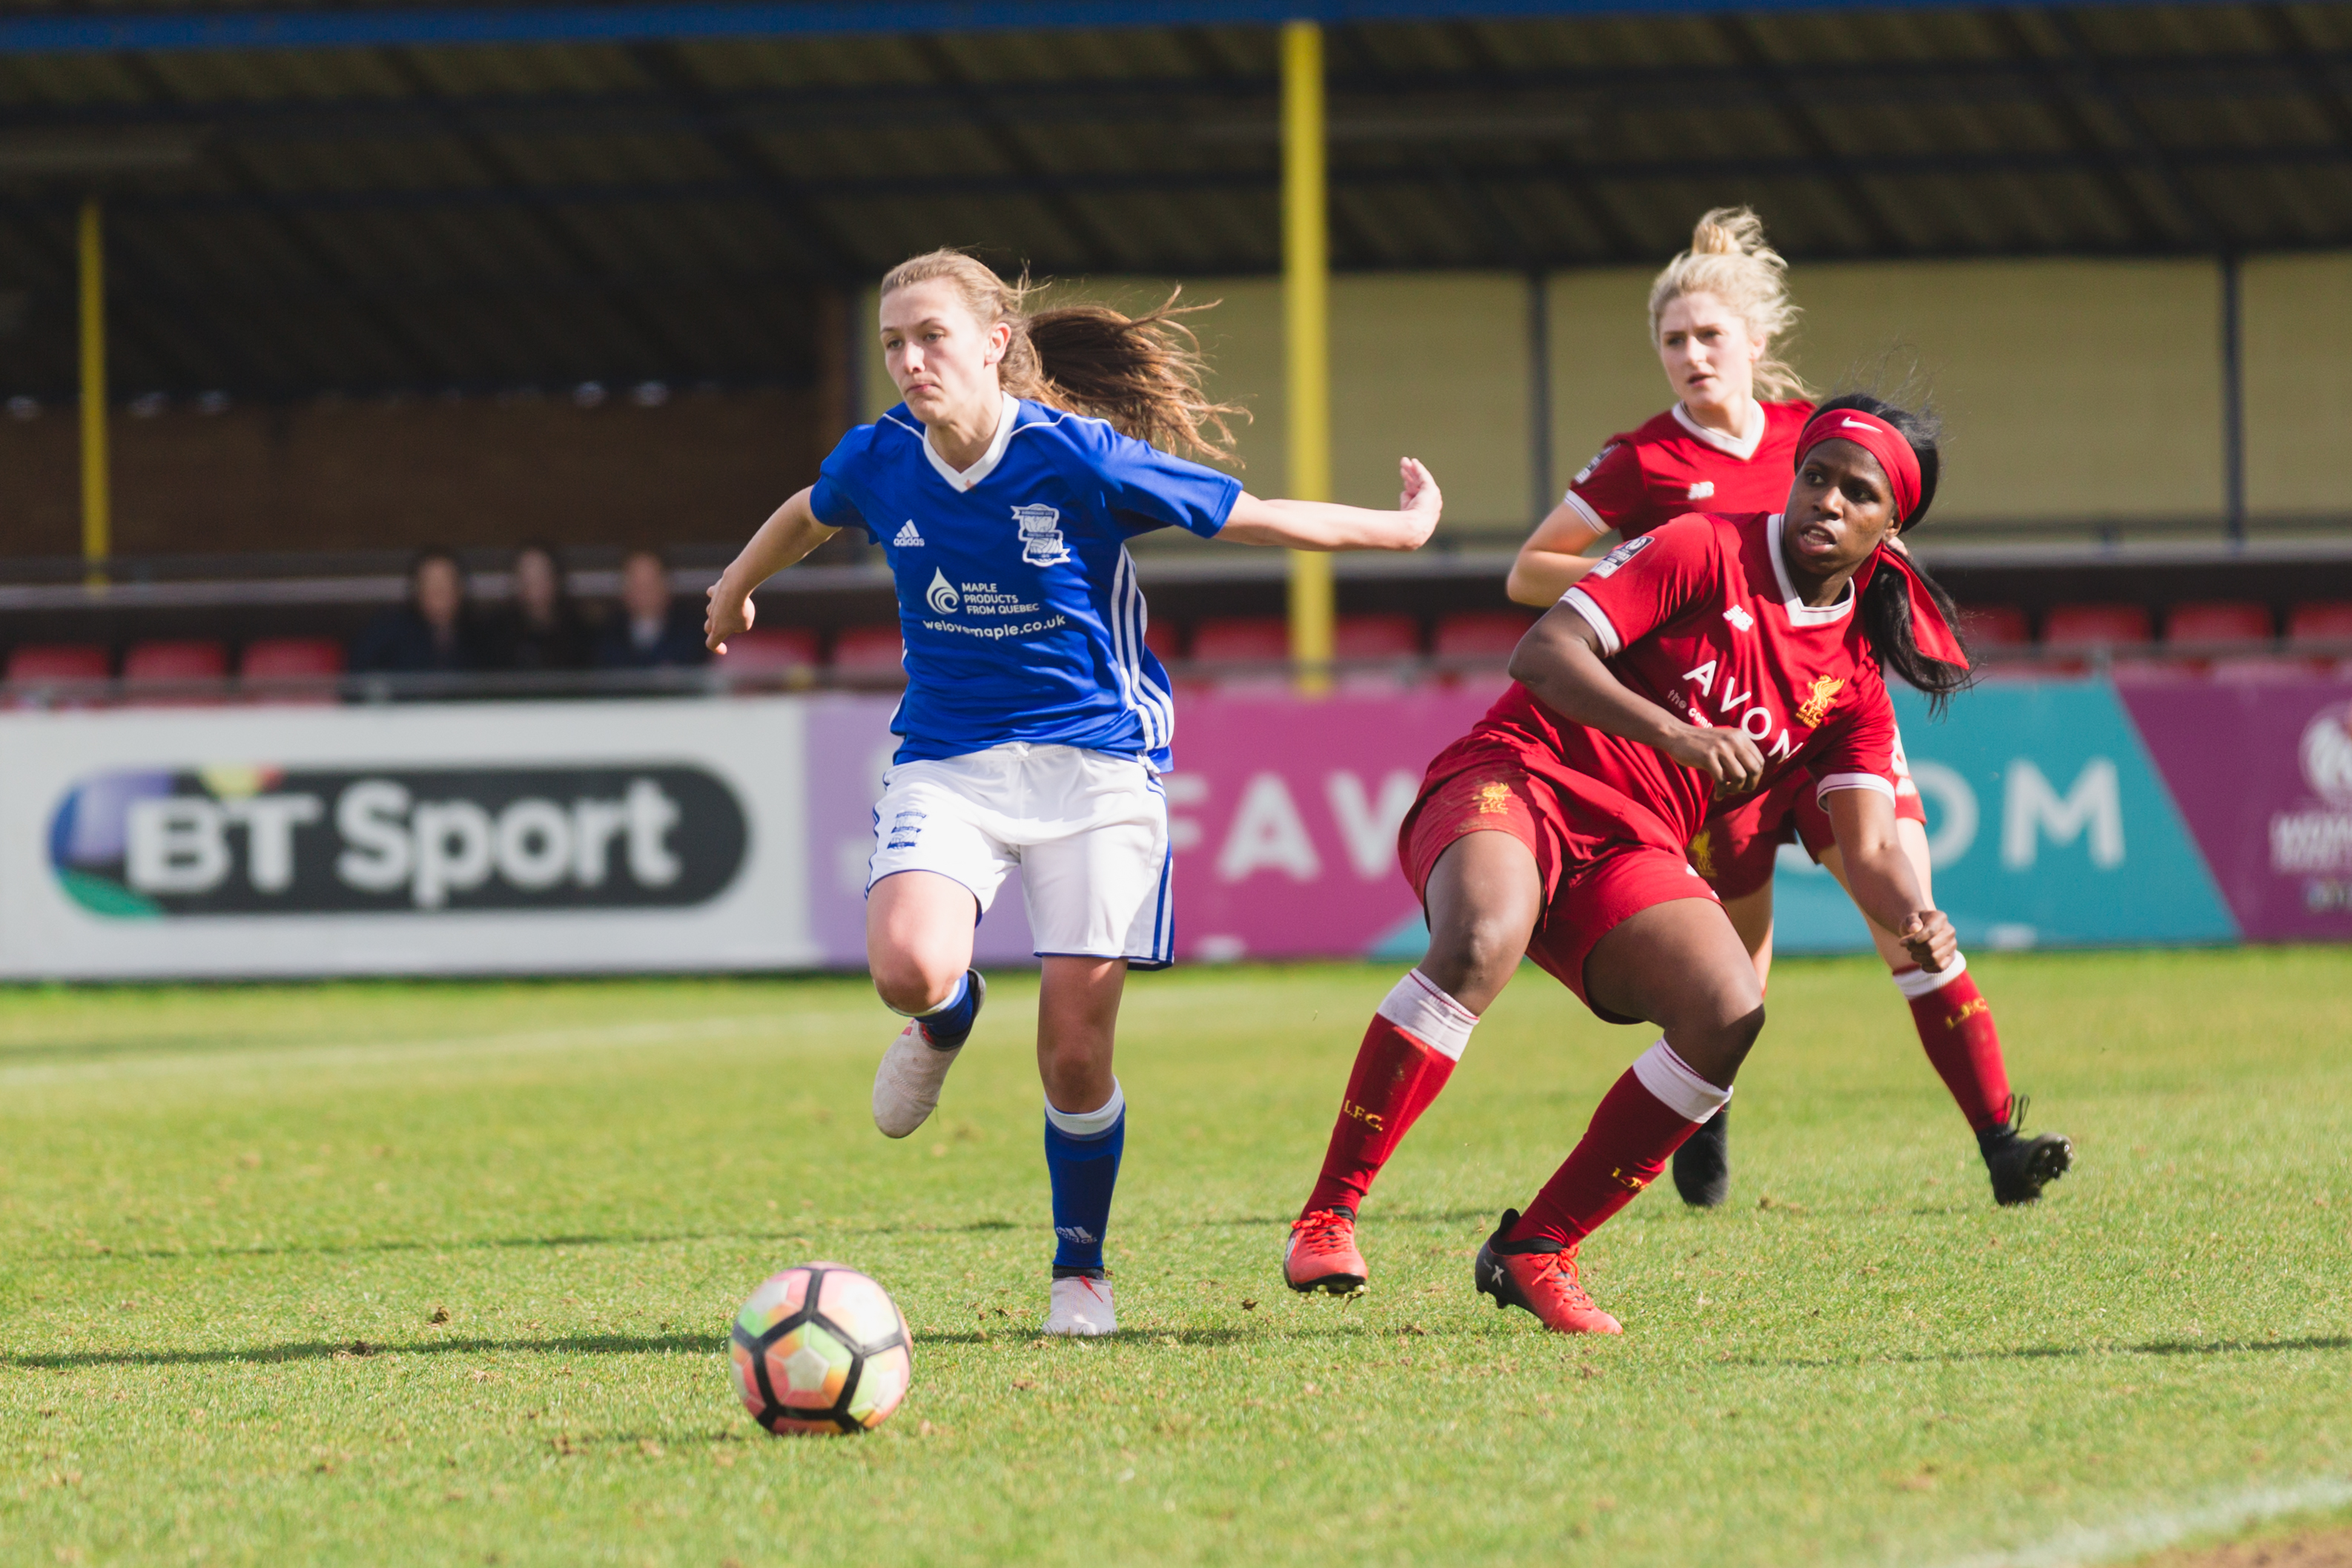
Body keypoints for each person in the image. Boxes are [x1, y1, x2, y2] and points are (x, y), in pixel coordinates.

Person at [705, 249, 1440, 1337]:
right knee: (909, 967)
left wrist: (1402, 530)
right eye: (893, 343)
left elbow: (1254, 515)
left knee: (1078, 1050)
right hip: (950, 756)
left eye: (931, 337)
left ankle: (1079, 1269)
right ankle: (946, 1021)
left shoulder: (1078, 456)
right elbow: (806, 512)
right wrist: (734, 586)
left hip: (1097, 768)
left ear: (996, 341)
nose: (910, 361)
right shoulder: (881, 457)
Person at [1285, 397, 1994, 1334]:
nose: (1823, 500)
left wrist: (1916, 911)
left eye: (1854, 492)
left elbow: (1866, 845)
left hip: (1635, 843)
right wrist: (1677, 735)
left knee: (1728, 1011)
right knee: (1480, 938)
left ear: (1888, 525)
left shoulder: (1855, 675)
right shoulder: (1700, 545)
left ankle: (1537, 1248)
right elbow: (1543, 652)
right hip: (1519, 773)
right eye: (1814, 475)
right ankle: (1328, 1216)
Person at [1504, 206, 2067, 1213]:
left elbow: (1875, 534)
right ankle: (1710, 1110)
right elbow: (1527, 575)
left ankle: (1999, 1138)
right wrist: (1648, 573)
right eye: (1671, 340)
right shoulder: (1644, 462)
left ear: (1755, 343)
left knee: (1905, 907)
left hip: (1828, 705)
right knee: (1740, 943)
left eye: (1707, 335)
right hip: (1729, 726)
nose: (1689, 356)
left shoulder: (1822, 438)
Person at [351, 547, 485, 675]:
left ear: (460, 588)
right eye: (430, 583)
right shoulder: (389, 632)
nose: (439, 591)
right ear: (417, 590)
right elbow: (359, 677)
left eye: (446, 583)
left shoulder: (480, 637)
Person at [599, 548, 710, 670]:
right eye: (637, 585)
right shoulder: (607, 635)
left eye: (649, 585)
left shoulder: (692, 632)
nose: (643, 594)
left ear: (666, 585)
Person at [491, 543, 588, 671]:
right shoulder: (495, 637)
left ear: (556, 579)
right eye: (527, 578)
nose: (535, 586)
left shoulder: (581, 636)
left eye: (542, 577)